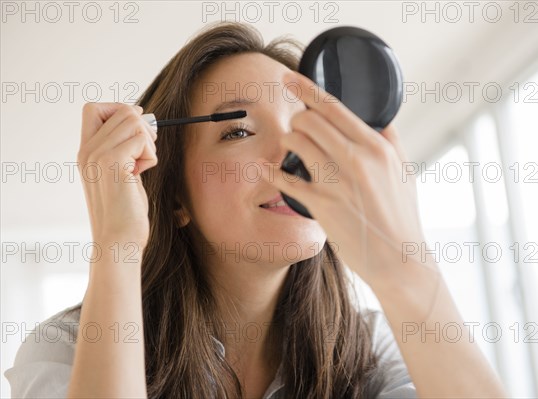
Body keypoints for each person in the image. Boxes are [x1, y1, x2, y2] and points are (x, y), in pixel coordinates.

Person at [5, 22, 506, 398]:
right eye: (238, 131)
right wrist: (116, 246)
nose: (292, 155)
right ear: (175, 197)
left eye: (304, 125)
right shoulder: (67, 351)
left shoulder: (370, 351)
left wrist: (404, 266)